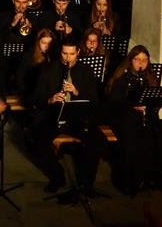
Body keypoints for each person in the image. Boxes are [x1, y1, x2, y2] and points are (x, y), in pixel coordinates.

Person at [31, 36, 107, 200]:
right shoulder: (49, 69)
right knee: (38, 139)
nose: (68, 58)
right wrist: (51, 99)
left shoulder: (86, 71)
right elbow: (36, 98)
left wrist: (77, 92)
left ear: (78, 52)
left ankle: (86, 184)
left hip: (77, 119)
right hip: (53, 117)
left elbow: (94, 100)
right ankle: (57, 177)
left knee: (98, 140)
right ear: (60, 52)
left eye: (71, 54)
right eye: (64, 53)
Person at [105, 45, 162, 194]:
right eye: (137, 59)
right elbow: (114, 104)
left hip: (146, 116)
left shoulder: (150, 78)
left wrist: (150, 105)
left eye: (144, 60)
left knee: (159, 139)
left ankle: (154, 177)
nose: (141, 63)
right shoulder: (122, 78)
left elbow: (157, 101)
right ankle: (133, 180)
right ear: (131, 60)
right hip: (124, 116)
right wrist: (132, 106)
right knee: (134, 140)